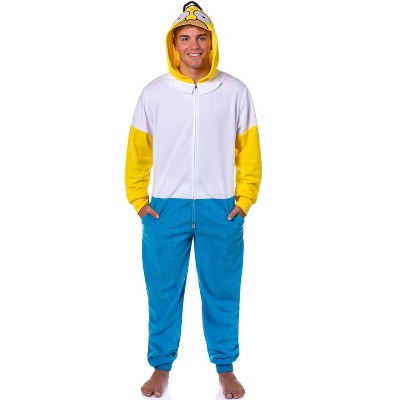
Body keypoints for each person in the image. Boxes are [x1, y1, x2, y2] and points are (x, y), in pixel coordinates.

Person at [125, 2, 262, 398]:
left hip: (221, 208)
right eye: (185, 38)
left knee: (222, 291)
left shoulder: (235, 91)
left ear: (212, 41)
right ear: (174, 44)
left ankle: (225, 367)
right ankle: (160, 366)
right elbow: (138, 153)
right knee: (163, 290)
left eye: (201, 37)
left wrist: (244, 200)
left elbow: (249, 152)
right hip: (165, 208)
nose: (194, 45)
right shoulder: (154, 93)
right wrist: (140, 201)